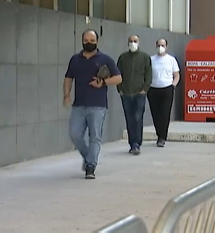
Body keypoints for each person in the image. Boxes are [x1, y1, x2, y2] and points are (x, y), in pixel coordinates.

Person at [63, 29, 122, 179]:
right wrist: (66, 95)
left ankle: (91, 166)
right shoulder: (75, 59)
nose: (89, 43)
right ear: (82, 40)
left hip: (98, 105)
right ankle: (90, 157)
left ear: (97, 41)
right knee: (75, 134)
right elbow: (68, 78)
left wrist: (102, 82)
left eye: (92, 40)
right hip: (79, 104)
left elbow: (118, 78)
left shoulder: (105, 59)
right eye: (86, 40)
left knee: (95, 136)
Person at [117, 35, 152, 155]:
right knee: (129, 118)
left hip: (139, 93)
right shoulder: (123, 57)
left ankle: (137, 143)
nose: (132, 43)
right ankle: (132, 143)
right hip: (125, 93)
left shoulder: (145, 57)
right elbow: (118, 73)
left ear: (139, 42)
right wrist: (120, 89)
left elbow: (148, 74)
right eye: (130, 41)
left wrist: (145, 89)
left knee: (138, 117)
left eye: (135, 41)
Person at [147, 38, 180, 147]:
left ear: (166, 46)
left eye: (163, 45)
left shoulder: (171, 60)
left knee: (165, 113)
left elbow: (177, 75)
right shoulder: (151, 59)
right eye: (158, 45)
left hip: (167, 88)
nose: (160, 47)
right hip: (153, 89)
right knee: (155, 113)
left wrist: (173, 85)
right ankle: (158, 133)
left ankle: (162, 137)